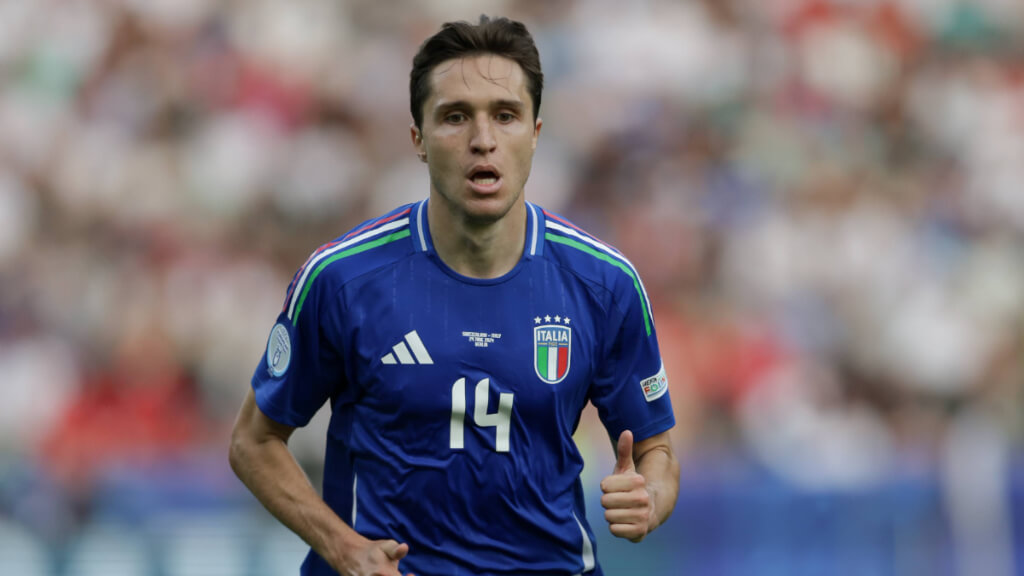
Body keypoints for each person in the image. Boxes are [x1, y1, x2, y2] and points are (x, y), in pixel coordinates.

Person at [229, 15, 679, 576]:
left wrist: (650, 499)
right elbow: (254, 441)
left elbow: (657, 450)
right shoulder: (343, 279)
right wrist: (342, 546)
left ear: (535, 135)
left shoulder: (604, 283)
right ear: (417, 139)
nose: (483, 140)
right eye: (456, 117)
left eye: (505, 115)